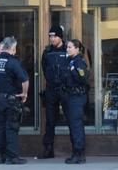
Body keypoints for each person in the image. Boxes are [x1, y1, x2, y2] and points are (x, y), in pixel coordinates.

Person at [0, 36, 29, 165]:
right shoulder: (13, 62)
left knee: (0, 128)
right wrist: (24, 93)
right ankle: (12, 157)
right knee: (11, 127)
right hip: (10, 99)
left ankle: (1, 156)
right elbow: (24, 79)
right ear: (13, 48)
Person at [39, 25, 68, 159]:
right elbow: (44, 69)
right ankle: (48, 149)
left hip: (66, 89)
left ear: (60, 37)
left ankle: (77, 150)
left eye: (54, 36)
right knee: (50, 121)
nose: (52, 38)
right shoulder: (47, 52)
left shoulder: (68, 49)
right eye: (50, 36)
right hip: (51, 90)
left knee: (72, 119)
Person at [62, 39, 89, 164]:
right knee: (72, 125)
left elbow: (83, 78)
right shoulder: (70, 61)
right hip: (70, 96)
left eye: (70, 47)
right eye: (67, 47)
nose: (67, 49)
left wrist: (73, 71)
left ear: (77, 49)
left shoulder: (79, 62)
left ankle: (78, 154)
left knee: (76, 125)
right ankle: (76, 153)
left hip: (77, 97)